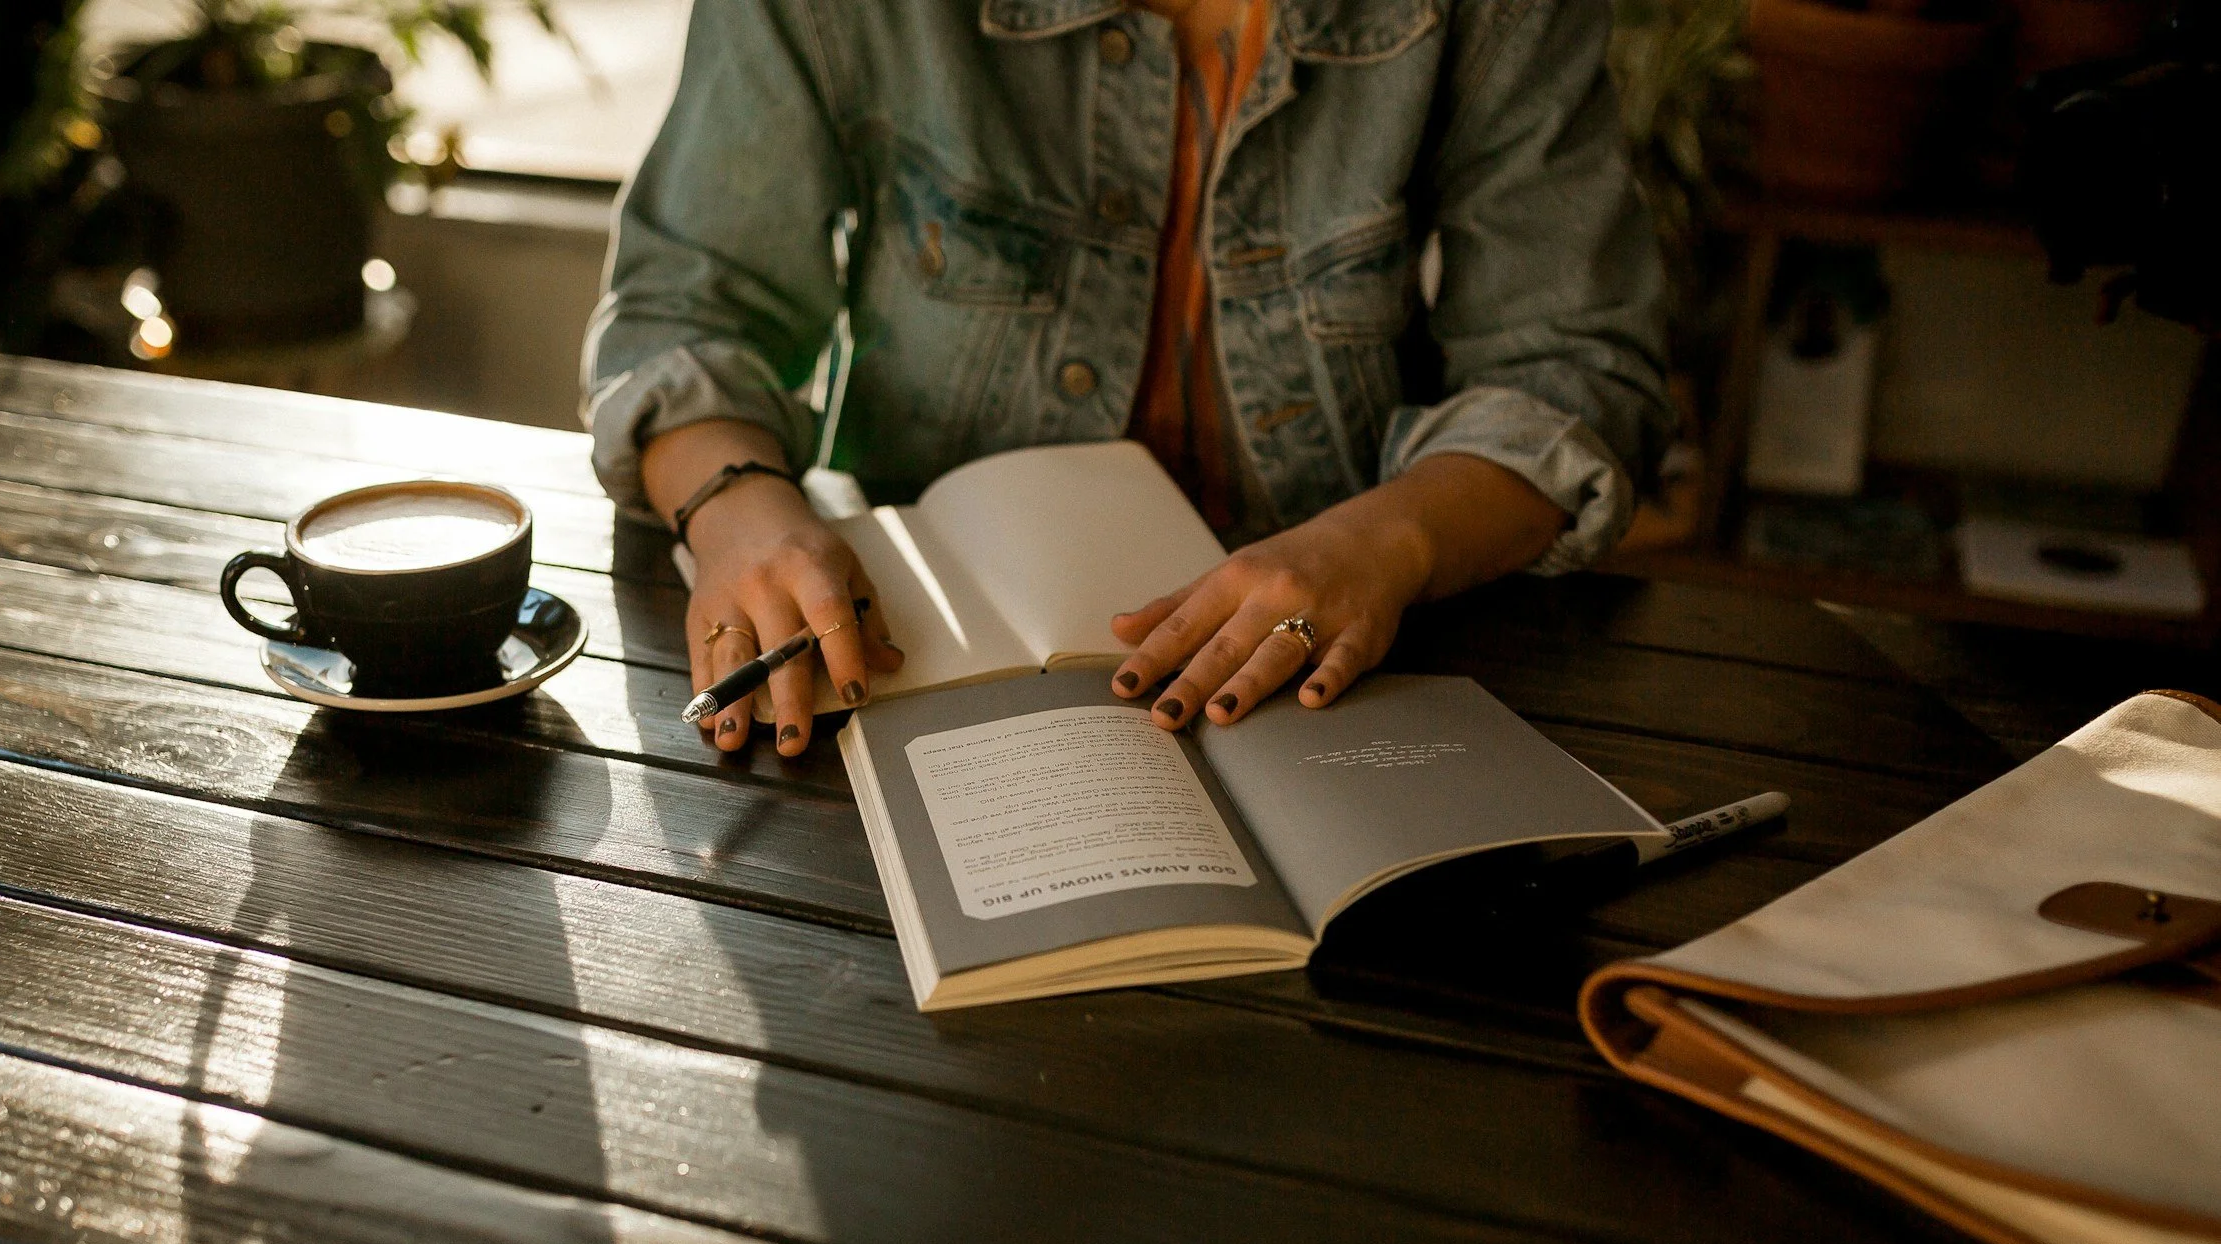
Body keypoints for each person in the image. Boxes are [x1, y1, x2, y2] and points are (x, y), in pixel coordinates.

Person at [585, 0, 1673, 755]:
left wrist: (1381, 545)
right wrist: (743, 515)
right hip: (914, 659)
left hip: (1338, 674)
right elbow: (691, 298)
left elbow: (1569, 368)